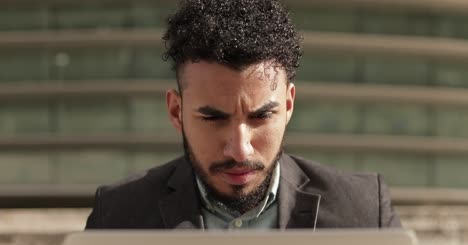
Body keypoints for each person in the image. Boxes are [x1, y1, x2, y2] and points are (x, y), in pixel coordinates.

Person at [86, 0, 401, 230]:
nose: (240, 150)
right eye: (213, 118)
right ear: (176, 111)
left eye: (261, 117)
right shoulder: (116, 216)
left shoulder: (363, 212)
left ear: (289, 106)